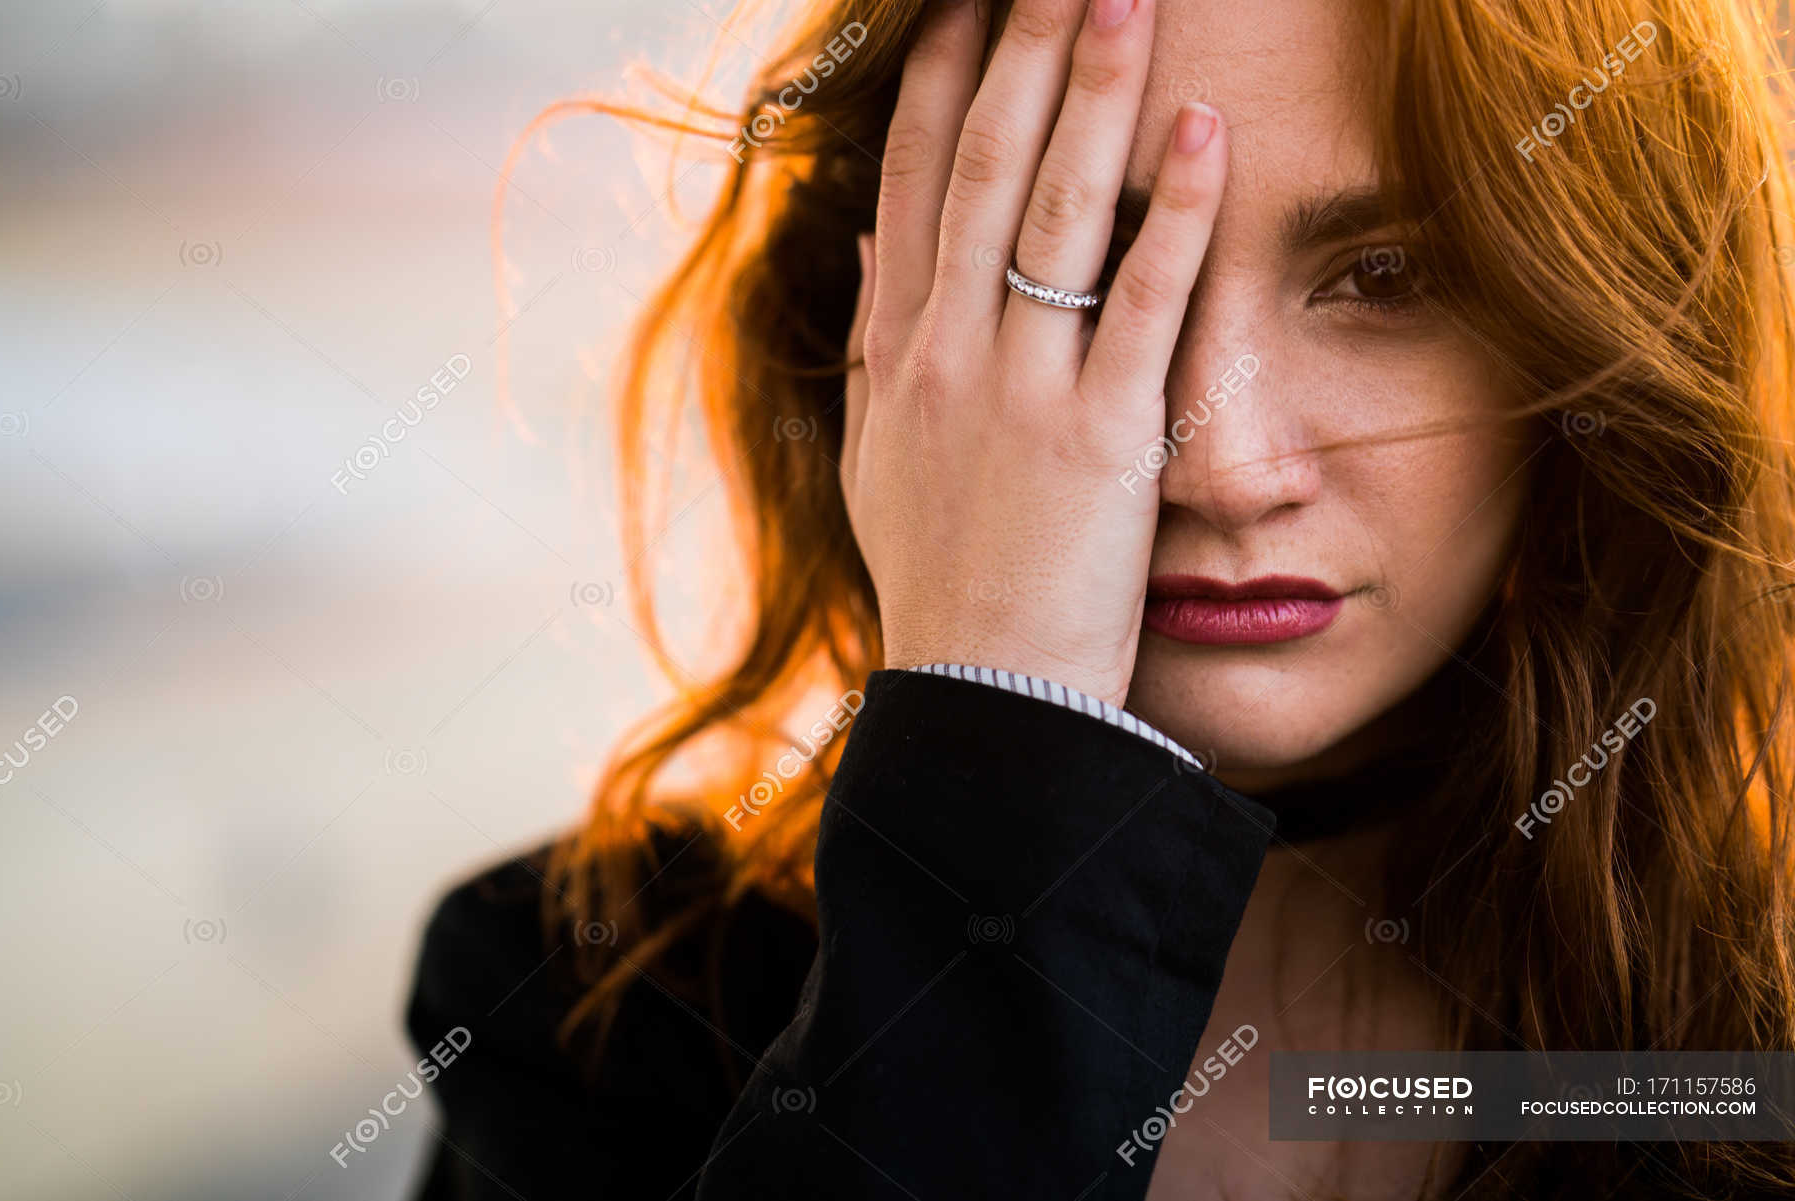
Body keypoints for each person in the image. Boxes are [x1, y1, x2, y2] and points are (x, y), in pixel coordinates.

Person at [404, 0, 1795, 1196]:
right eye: (1081, 270)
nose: (1219, 462)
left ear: (1611, 331)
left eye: (1387, 276)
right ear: (882, 326)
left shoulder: (1745, 1057)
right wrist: (1002, 739)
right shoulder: (591, 1017)